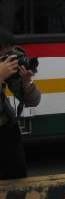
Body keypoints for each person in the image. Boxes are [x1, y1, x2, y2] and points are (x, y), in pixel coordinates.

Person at [0, 27, 41, 179]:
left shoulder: (8, 65)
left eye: (11, 54)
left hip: (7, 129)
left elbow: (33, 101)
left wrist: (26, 83)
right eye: (5, 56)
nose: (10, 60)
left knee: (17, 179)